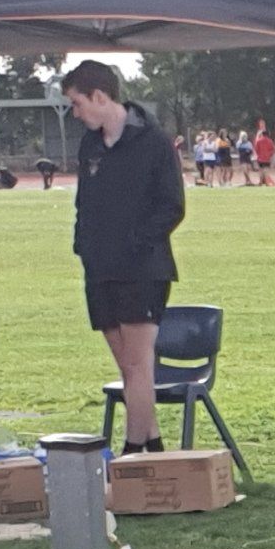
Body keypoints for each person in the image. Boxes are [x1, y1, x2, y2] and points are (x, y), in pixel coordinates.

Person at [61, 58, 186, 455]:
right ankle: (154, 447)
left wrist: (133, 241)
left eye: (78, 103)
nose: (75, 113)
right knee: (128, 368)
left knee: (137, 364)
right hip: (99, 270)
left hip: (142, 270)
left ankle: (132, 453)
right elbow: (85, 202)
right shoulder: (90, 144)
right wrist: (83, 244)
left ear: (100, 96)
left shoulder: (153, 142)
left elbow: (172, 206)